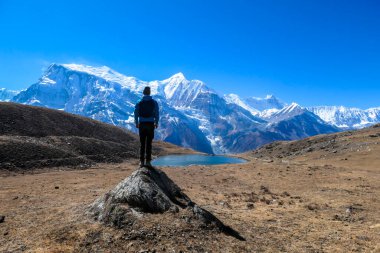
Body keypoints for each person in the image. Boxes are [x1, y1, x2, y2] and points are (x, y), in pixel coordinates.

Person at [134, 86, 159, 167]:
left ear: (143, 93)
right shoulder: (154, 102)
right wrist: (156, 122)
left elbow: (136, 113)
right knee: (149, 144)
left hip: (142, 124)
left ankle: (141, 162)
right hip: (150, 124)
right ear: (149, 92)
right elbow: (157, 113)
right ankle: (148, 162)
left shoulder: (139, 102)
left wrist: (137, 122)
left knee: (142, 143)